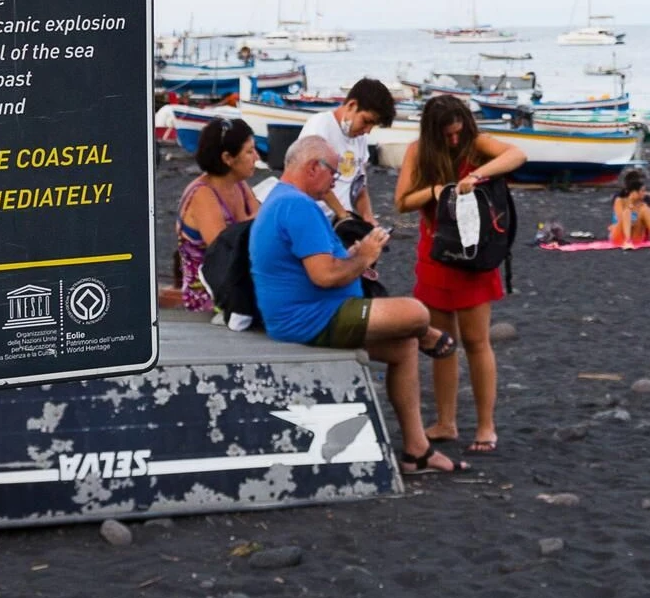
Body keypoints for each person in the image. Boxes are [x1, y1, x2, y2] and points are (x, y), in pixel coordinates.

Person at [250, 132, 460, 473]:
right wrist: (364, 258)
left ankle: (417, 451)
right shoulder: (297, 206)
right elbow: (324, 276)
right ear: (313, 167)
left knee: (403, 346)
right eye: (333, 172)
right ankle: (427, 335)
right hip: (312, 317)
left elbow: (319, 264)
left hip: (307, 311)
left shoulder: (284, 199)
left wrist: (354, 254)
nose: (335, 181)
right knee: (416, 313)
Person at [395, 93, 525, 454]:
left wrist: (478, 174)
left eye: (458, 132)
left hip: (473, 256)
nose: (454, 140)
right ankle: (445, 422)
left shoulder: (477, 144)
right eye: (447, 135)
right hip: (436, 254)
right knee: (442, 344)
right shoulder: (418, 152)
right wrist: (435, 191)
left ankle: (486, 426)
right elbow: (402, 201)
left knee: (476, 341)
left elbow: (517, 154)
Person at [162, 116, 256, 314]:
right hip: (206, 292)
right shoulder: (202, 195)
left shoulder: (238, 183)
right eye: (249, 152)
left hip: (235, 281)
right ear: (228, 158)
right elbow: (224, 252)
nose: (256, 157)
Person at [304, 77, 397, 222]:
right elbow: (314, 180)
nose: (367, 130)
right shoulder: (320, 125)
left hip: (342, 220)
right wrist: (343, 215)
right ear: (351, 105)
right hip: (316, 218)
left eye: (373, 125)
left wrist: (368, 218)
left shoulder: (359, 137)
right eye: (366, 121)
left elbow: (360, 185)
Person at [610, 166, 650, 247]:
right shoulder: (619, 199)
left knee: (645, 211)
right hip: (622, 231)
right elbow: (620, 219)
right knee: (627, 213)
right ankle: (628, 240)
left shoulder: (644, 199)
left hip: (636, 233)